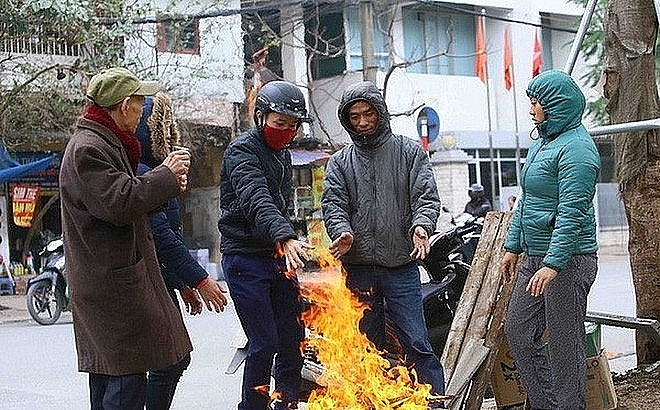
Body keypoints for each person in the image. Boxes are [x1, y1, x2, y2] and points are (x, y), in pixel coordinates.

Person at [59, 67, 193, 410]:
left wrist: (163, 182)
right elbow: (120, 202)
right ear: (122, 107)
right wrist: (165, 175)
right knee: (123, 377)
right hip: (110, 284)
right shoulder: (89, 149)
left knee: (118, 373)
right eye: (138, 104)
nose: (142, 111)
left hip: (115, 279)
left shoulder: (106, 142)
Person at [321, 81, 446, 397]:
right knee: (365, 345)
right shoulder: (340, 161)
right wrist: (342, 232)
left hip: (401, 265)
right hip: (358, 268)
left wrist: (421, 226)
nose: (362, 122)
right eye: (354, 116)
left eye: (368, 114)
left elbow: (426, 197)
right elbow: (333, 203)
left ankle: (434, 402)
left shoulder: (409, 152)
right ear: (346, 120)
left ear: (381, 114)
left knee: (416, 341)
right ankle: (372, 401)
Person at [500, 70, 600, 410]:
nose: (531, 107)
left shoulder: (579, 150)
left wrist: (554, 264)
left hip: (568, 263)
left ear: (555, 105)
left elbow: (571, 213)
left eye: (536, 101)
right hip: (534, 258)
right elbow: (527, 199)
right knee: (517, 332)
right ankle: (547, 404)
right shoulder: (543, 141)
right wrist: (513, 246)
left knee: (564, 345)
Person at [218, 80, 313, 410]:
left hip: (276, 257)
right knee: (264, 343)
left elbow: (282, 204)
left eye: (292, 126)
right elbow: (256, 199)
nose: (286, 131)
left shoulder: (284, 154)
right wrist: (284, 235)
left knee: (293, 340)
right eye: (279, 123)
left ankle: (285, 404)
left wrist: (291, 238)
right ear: (260, 117)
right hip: (245, 259)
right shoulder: (241, 151)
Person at [136, 93, 228, 410]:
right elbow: (159, 233)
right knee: (169, 361)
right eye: (163, 129)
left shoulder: (158, 169)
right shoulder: (142, 170)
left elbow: (169, 231)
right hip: (145, 281)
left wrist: (182, 282)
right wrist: (199, 279)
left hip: (162, 279)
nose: (171, 136)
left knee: (171, 360)